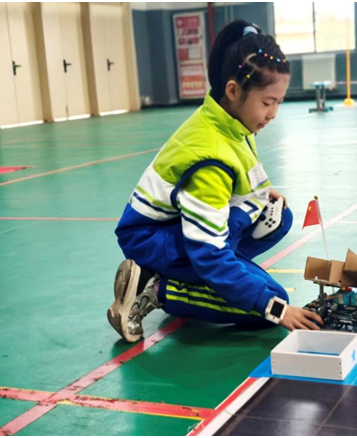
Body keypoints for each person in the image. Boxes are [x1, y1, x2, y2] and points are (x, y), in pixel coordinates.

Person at [108, 20, 323, 343]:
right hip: (152, 239)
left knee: (277, 217)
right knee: (269, 301)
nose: (273, 114)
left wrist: (259, 194)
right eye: (267, 103)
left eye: (278, 102)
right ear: (233, 90)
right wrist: (276, 309)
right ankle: (157, 289)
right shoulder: (210, 160)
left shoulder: (227, 117)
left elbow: (241, 172)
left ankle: (189, 277)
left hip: (171, 227)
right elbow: (210, 256)